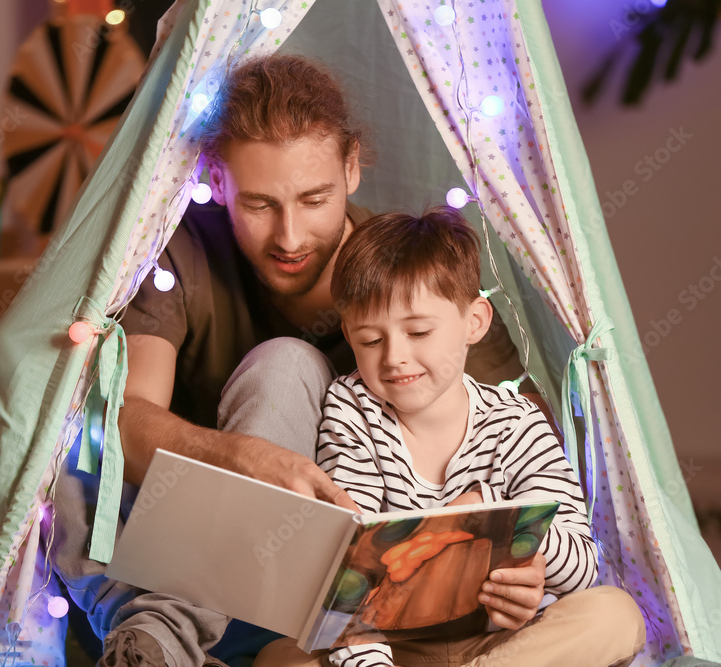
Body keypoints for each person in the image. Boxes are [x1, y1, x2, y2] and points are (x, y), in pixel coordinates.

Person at [52, 54, 547, 666]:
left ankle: (164, 635)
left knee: (288, 362)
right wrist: (241, 459)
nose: (288, 237)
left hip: (325, 606)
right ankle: (160, 635)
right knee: (72, 432)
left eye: (314, 200)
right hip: (167, 570)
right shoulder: (179, 251)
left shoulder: (410, 277)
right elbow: (122, 420)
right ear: (216, 176)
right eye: (259, 205)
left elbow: (529, 458)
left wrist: (517, 555)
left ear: (351, 166)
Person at [251, 209, 646, 667]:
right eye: (370, 340)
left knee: (616, 615)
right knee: (279, 658)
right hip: (390, 645)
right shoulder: (351, 407)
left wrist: (503, 521)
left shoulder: (516, 422)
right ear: (348, 335)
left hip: (497, 646)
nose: (395, 357)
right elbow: (349, 576)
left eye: (418, 331)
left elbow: (581, 564)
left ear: (474, 323)